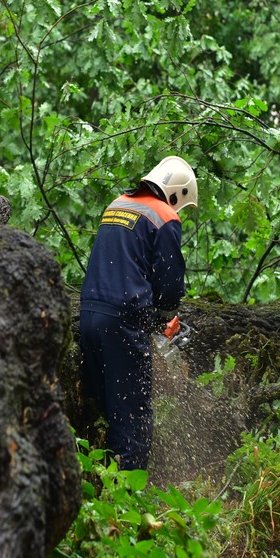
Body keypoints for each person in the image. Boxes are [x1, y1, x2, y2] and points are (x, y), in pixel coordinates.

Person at [79, 156, 198, 470]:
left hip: (89, 315)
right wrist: (166, 312)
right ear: (177, 194)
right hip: (122, 325)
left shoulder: (116, 205)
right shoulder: (164, 215)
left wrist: (157, 323)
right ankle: (126, 506)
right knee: (133, 420)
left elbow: (122, 277)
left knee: (107, 412)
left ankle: (102, 495)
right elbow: (169, 285)